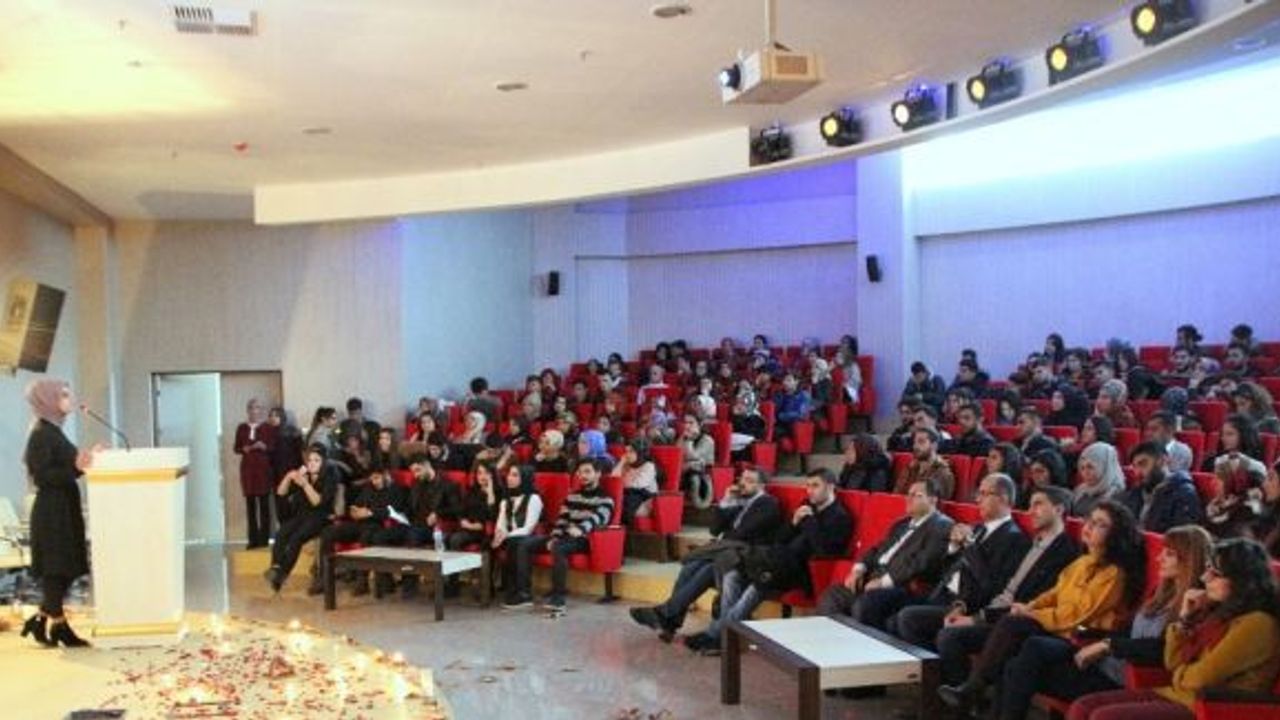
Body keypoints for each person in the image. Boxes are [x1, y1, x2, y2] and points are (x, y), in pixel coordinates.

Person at [938, 500, 1146, 713]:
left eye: (1100, 524)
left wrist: (1032, 614)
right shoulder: (1083, 562)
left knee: (1015, 629)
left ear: (1115, 534)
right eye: (1090, 520)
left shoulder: (1114, 574)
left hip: (1080, 638)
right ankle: (975, 694)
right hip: (1057, 630)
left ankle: (972, 689)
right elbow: (1054, 594)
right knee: (1010, 655)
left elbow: (1078, 615)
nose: (1090, 526)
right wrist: (1030, 607)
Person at [992, 525, 1213, 720]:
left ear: (1189, 560)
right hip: (1105, 661)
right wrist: (1093, 636)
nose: (1159, 558)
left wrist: (1107, 645)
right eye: (1162, 551)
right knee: (1021, 656)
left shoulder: (1194, 603)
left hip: (1127, 675)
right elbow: (1127, 631)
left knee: (1021, 666)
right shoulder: (1162, 594)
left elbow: (1161, 649)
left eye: (1170, 554)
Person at [1066, 538, 1280, 720]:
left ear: (1241, 580)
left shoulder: (1257, 624)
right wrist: (1184, 620)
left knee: (1104, 717)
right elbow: (1172, 662)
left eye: (1215, 573)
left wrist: (1180, 675)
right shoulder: (1219, 613)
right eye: (1207, 569)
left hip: (1211, 709)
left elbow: (1199, 680)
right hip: (1178, 695)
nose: (1204, 578)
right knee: (1083, 706)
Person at [682, 468, 853, 655]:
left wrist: (810, 522)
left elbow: (824, 550)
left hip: (801, 571)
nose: (810, 491)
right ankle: (724, 636)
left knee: (758, 585)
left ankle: (716, 636)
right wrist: (794, 523)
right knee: (733, 573)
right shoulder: (806, 506)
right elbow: (779, 539)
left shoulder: (840, 517)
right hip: (777, 561)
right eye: (808, 486)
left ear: (830, 487)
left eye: (815, 486)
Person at [932, 487, 1081, 685]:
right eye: (1029, 505)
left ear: (1059, 510)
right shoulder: (1032, 544)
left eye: (1038, 504)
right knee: (936, 627)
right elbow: (999, 587)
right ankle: (951, 692)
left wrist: (975, 619)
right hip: (994, 609)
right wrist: (964, 607)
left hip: (1017, 621)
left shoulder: (1065, 553)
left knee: (949, 637)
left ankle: (965, 695)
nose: (1030, 512)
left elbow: (1032, 601)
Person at [629, 467, 782, 641]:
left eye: (749, 481)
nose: (742, 484)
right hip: (727, 552)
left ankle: (666, 615)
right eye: (742, 479)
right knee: (691, 567)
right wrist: (727, 501)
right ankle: (669, 622)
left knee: (707, 569)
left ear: (761, 485)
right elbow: (714, 530)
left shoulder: (768, 503)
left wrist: (726, 531)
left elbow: (743, 533)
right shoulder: (739, 502)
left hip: (748, 556)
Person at [890, 474, 1029, 649]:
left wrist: (969, 546)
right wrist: (953, 548)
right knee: (892, 619)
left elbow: (990, 585)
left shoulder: (1014, 538)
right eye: (978, 493)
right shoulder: (978, 528)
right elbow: (946, 568)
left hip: (966, 605)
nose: (978, 499)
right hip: (941, 594)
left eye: (984, 494)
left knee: (907, 619)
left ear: (1004, 499)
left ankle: (931, 663)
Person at [816, 478, 953, 629]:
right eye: (908, 494)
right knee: (833, 595)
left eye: (917, 495)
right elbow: (877, 549)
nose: (908, 498)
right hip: (873, 577)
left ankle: (855, 642)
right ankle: (833, 639)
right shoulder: (902, 523)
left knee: (864, 605)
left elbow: (922, 563)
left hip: (901, 586)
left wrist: (883, 582)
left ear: (933, 500)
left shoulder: (942, 525)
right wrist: (859, 569)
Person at [21, 378, 97, 648]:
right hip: (52, 511)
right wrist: (77, 467)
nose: (68, 398)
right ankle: (58, 626)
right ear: (47, 400)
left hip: (63, 506)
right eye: (62, 394)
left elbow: (67, 467)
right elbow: (42, 477)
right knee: (57, 568)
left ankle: (42, 620)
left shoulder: (54, 430)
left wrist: (84, 461)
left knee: (66, 567)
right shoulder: (41, 434)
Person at [526, 459, 616, 615]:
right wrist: (555, 536)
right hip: (566, 537)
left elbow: (599, 519)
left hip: (588, 539)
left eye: (587, 472)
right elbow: (562, 520)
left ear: (598, 474)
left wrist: (581, 529)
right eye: (580, 472)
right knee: (526, 543)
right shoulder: (572, 497)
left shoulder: (606, 498)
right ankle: (523, 592)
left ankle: (558, 598)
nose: (583, 475)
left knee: (559, 547)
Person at [308, 467, 409, 596]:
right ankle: (324, 578)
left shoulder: (395, 490)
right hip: (359, 523)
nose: (374, 481)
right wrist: (354, 511)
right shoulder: (368, 488)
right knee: (328, 532)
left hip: (379, 524)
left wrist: (370, 513)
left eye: (377, 478)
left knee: (367, 535)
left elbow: (393, 511)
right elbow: (356, 504)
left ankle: (362, 581)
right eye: (372, 478)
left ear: (385, 476)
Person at [265, 444, 339, 594]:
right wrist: (288, 477)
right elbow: (281, 493)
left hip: (321, 516)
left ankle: (282, 574)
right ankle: (276, 568)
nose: (312, 463)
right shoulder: (304, 475)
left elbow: (317, 502)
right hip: (302, 515)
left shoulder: (330, 477)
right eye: (309, 460)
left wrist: (305, 484)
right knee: (281, 533)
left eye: (316, 460)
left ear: (324, 462)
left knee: (296, 538)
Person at [1204, 414, 1267, 537]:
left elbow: (1257, 501)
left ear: (1244, 435)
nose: (1224, 438)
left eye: (1230, 434)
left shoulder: (1256, 466)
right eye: (1223, 434)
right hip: (1213, 509)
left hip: (1239, 517)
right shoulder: (1213, 461)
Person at [1119, 442, 1203, 533]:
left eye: (1143, 464)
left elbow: (1181, 536)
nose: (1137, 472)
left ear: (1163, 460)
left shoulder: (1184, 494)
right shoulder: (1135, 493)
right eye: (1134, 467)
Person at [496, 465, 545, 608]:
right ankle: (506, 588)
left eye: (515, 475)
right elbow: (501, 524)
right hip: (512, 537)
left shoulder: (534, 499)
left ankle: (524, 593)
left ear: (525, 478)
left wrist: (507, 536)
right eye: (509, 474)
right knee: (493, 542)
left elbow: (529, 528)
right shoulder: (505, 501)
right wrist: (499, 534)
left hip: (534, 537)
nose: (509, 478)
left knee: (517, 543)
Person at [235, 398, 277, 549]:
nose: (255, 411)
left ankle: (264, 539)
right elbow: (236, 447)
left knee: (264, 506)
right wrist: (244, 449)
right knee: (250, 506)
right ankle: (252, 540)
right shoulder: (242, 428)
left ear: (262, 411)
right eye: (252, 408)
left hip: (263, 470)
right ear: (248, 410)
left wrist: (264, 446)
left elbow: (273, 447)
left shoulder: (268, 428)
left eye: (258, 408)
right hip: (248, 470)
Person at [894, 428, 956, 500]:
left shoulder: (942, 472)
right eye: (915, 442)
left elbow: (936, 503)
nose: (915, 446)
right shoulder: (910, 468)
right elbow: (896, 495)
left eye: (921, 442)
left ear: (934, 445)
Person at [1073, 442, 1126, 518]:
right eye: (1082, 468)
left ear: (1106, 467)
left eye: (1090, 467)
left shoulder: (1118, 496)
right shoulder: (1080, 490)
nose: (1085, 473)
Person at [613, 438, 659, 525]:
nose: (627, 455)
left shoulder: (649, 466)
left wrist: (621, 485)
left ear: (640, 453)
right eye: (626, 451)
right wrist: (621, 463)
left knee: (631, 496)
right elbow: (613, 480)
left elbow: (638, 485)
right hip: (628, 495)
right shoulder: (626, 465)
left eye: (631, 452)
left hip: (644, 498)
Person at [678, 415, 716, 508]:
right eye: (685, 422)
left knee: (694, 477)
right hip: (685, 470)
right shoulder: (683, 437)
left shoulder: (707, 440)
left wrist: (689, 440)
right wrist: (682, 439)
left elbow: (692, 457)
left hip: (701, 474)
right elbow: (676, 454)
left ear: (699, 424)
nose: (687, 426)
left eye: (691, 423)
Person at [729, 390, 766, 463]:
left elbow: (745, 430)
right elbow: (734, 428)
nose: (738, 405)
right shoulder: (742, 415)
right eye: (737, 403)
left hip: (752, 438)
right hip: (740, 437)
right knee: (726, 440)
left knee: (728, 439)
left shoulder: (756, 417)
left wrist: (737, 416)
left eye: (741, 403)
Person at [773, 371, 812, 441]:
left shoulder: (804, 395)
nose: (785, 382)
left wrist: (781, 416)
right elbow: (774, 410)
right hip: (780, 424)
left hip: (793, 425)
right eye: (784, 380)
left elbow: (800, 414)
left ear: (796, 382)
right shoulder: (780, 394)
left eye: (789, 380)